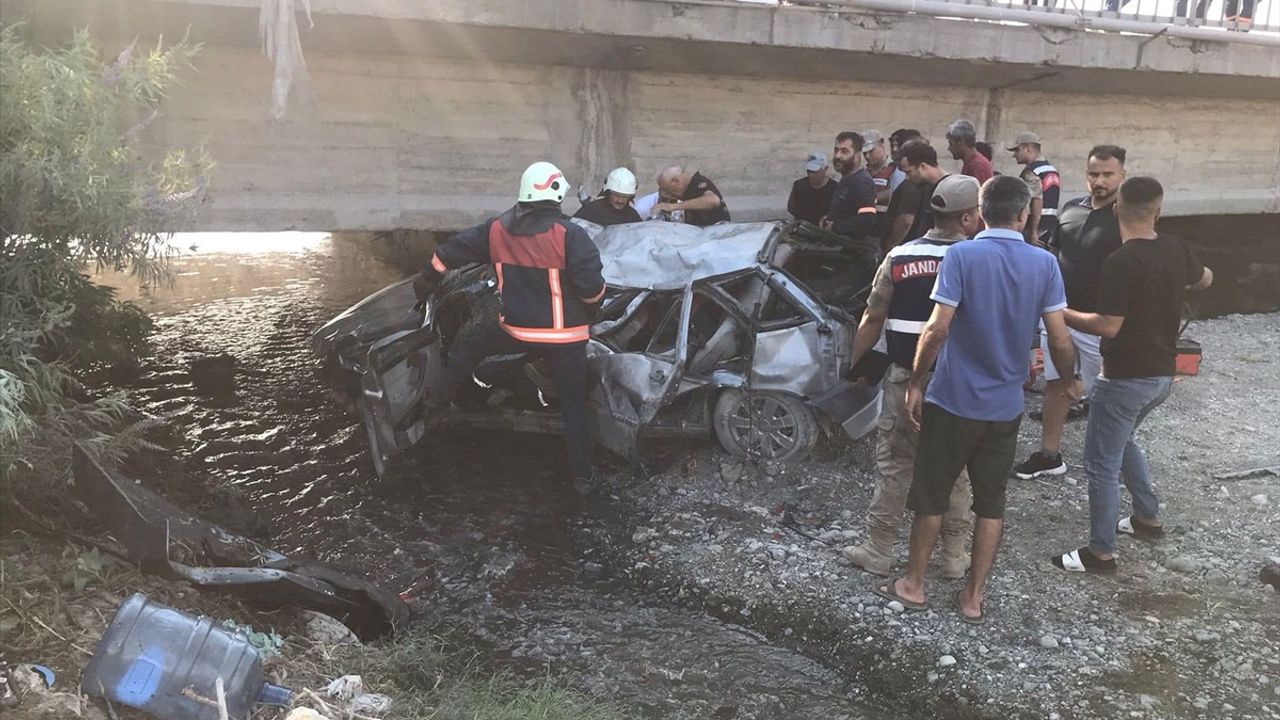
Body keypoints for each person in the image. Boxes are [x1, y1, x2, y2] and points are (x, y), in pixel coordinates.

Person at [874, 176, 1079, 624]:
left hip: (952, 400)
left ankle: (914, 585)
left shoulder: (962, 255)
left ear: (980, 212)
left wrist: (915, 381)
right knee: (991, 503)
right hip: (1005, 407)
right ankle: (972, 598)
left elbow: (938, 327)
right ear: (1025, 214)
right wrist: (1069, 379)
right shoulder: (1044, 264)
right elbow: (1058, 336)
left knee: (931, 494)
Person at [1050, 177, 1213, 573]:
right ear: (1158, 210)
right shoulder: (1175, 247)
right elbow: (1205, 278)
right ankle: (1147, 518)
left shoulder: (1121, 261)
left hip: (1124, 378)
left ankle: (1100, 553)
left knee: (1100, 463)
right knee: (1123, 442)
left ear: (1117, 209)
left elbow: (1108, 326)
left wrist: (1056, 310)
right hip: (1161, 375)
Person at [413, 161, 606, 487]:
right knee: (574, 406)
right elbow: (592, 290)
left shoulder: (496, 230)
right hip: (564, 338)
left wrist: (425, 283)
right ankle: (582, 476)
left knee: (473, 344)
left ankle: (438, 395)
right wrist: (593, 312)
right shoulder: (570, 235)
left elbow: (446, 255)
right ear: (556, 194)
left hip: (516, 330)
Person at [841, 175, 984, 580]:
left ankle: (879, 549)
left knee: (894, 463)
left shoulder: (900, 257)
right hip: (958, 383)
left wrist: (853, 367)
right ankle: (954, 557)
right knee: (954, 468)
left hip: (905, 379)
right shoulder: (977, 260)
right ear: (970, 217)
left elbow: (873, 317)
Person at [1013, 145, 1127, 480]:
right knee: (1056, 384)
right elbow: (1054, 254)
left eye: (1108, 174)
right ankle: (1050, 455)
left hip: (1100, 322)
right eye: (1094, 174)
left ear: (1123, 175)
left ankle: (1112, 460)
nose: (1099, 181)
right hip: (1060, 316)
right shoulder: (1071, 209)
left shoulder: (1126, 218)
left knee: (1106, 394)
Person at [822, 131, 878, 241]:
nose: (838, 156)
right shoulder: (847, 178)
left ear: (857, 156)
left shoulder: (862, 182)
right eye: (836, 150)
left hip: (851, 250)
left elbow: (868, 217)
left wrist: (835, 227)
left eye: (844, 151)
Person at [1007, 132, 1062, 246]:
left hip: (1036, 231)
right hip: (1050, 227)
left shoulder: (1031, 172)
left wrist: (1033, 231)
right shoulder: (1051, 170)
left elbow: (1037, 200)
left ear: (1027, 148)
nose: (1014, 155)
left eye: (1017, 150)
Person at [897, 140, 949, 245]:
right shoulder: (925, 188)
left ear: (922, 167)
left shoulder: (950, 190)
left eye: (909, 172)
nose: (907, 177)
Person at [881, 130, 926, 251]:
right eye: (892, 145)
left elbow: (906, 221)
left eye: (899, 145)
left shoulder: (913, 181)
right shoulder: (898, 170)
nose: (895, 150)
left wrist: (891, 246)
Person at [655, 166, 730, 226]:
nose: (670, 194)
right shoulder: (687, 192)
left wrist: (674, 206)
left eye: (668, 190)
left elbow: (713, 201)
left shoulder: (698, 183)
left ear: (676, 181)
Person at [574, 167, 642, 226]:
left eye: (624, 197)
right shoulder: (591, 211)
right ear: (608, 193)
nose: (620, 200)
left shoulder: (633, 216)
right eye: (616, 195)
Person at [862, 129, 907, 216]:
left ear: (882, 145)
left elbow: (899, 194)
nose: (867, 156)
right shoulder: (863, 172)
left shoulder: (897, 169)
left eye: (871, 151)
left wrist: (874, 198)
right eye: (864, 153)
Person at [787, 151, 837, 225]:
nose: (811, 175)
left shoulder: (835, 188)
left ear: (825, 168)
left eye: (815, 171)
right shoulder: (799, 186)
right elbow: (791, 208)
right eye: (809, 171)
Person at [947, 119, 993, 185]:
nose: (949, 148)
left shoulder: (977, 165)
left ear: (961, 143)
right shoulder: (971, 163)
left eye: (951, 144)